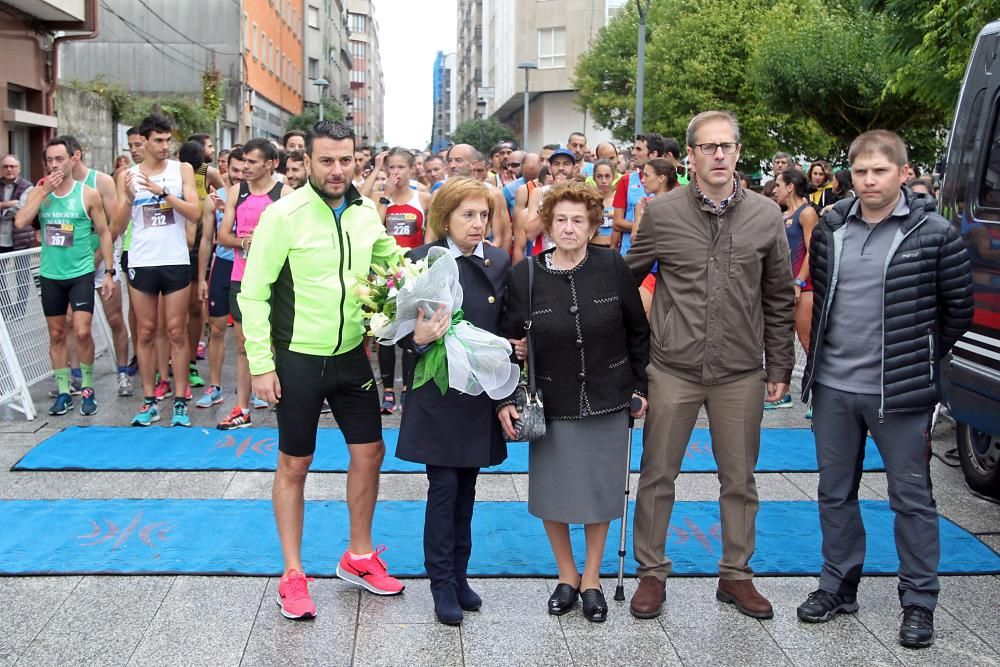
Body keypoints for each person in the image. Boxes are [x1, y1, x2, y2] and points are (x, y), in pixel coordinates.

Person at [796, 130, 973, 649]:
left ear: (903, 172)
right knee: (834, 493)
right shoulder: (830, 228)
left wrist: (918, 358)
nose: (869, 180)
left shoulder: (935, 233)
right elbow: (822, 299)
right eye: (861, 171)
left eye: (880, 170)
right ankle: (838, 585)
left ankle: (919, 601)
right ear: (849, 173)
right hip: (833, 386)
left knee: (911, 498)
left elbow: (956, 312)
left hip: (899, 390)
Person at [626, 111, 795, 621]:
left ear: (739, 152)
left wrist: (779, 365)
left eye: (727, 146)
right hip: (672, 367)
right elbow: (625, 281)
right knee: (658, 475)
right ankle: (651, 573)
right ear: (691, 156)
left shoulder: (767, 215)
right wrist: (633, 359)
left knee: (740, 480)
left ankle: (736, 576)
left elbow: (779, 298)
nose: (719, 155)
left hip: (740, 369)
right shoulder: (661, 212)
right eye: (708, 147)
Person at [241, 120, 406, 620]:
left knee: (371, 452)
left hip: (352, 354)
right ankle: (292, 574)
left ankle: (357, 557)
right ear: (306, 162)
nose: (337, 170)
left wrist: (422, 284)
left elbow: (392, 264)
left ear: (358, 160)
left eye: (345, 159)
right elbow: (253, 293)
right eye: (326, 160)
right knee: (295, 464)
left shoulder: (363, 212)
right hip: (298, 358)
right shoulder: (283, 214)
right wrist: (262, 365)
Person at [499, 181, 649, 623]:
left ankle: (592, 578)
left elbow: (638, 331)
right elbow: (507, 343)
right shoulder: (523, 275)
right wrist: (516, 355)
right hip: (552, 399)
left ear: (592, 225)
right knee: (555, 494)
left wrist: (640, 390)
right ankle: (566, 576)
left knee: (601, 493)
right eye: (561, 219)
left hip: (609, 395)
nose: (568, 228)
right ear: (548, 224)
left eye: (578, 220)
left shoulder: (612, 266)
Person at [394, 176, 512, 625]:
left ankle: (460, 576)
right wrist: (420, 340)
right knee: (443, 489)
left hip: (478, 394)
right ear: (445, 217)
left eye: (484, 214)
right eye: (468, 214)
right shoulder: (422, 261)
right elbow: (400, 331)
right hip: (438, 394)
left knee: (468, 489)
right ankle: (441, 582)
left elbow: (504, 322)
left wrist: (511, 360)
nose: (478, 223)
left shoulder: (499, 262)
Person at [15, 136, 115, 416]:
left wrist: (108, 271)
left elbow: (105, 232)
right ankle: (62, 392)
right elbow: (21, 222)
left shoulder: (88, 194)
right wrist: (43, 193)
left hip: (81, 272)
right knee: (57, 333)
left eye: (60, 159)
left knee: (82, 330)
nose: (55, 164)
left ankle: (87, 388)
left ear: (73, 159)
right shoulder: (40, 192)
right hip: (50, 274)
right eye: (50, 160)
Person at [113, 113, 202, 427]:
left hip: (175, 258)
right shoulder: (128, 174)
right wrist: (127, 198)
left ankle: (180, 401)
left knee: (176, 331)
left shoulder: (183, 170)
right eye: (159, 141)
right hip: (141, 260)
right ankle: (149, 401)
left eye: (168, 140)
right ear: (145, 142)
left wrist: (163, 192)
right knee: (146, 331)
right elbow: (116, 227)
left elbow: (195, 212)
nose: (165, 146)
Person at [215, 139, 292, 429]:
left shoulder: (285, 193)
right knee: (244, 343)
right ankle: (242, 408)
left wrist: (268, 245)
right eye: (243, 161)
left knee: (279, 341)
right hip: (242, 277)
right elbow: (222, 237)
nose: (244, 167)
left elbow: (297, 238)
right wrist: (246, 241)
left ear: (271, 164)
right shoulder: (237, 191)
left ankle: (283, 400)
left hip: (277, 280)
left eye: (251, 162)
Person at [374, 147, 432, 414]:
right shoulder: (380, 199)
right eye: (391, 168)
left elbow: (429, 239)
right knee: (384, 332)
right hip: (384, 273)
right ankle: (387, 390)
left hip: (413, 272)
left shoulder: (424, 199)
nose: (395, 173)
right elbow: (373, 229)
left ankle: (409, 388)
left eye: (400, 168)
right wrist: (385, 196)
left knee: (410, 331)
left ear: (411, 170)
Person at [195, 147, 246, 408]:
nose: (238, 175)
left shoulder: (254, 198)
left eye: (243, 169)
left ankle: (249, 390)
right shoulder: (214, 198)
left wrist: (231, 211)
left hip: (247, 269)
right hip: (222, 266)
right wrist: (202, 279)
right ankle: (214, 385)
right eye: (233, 169)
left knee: (244, 337)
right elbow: (207, 240)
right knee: (215, 329)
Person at [770, 168, 818, 411]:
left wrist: (799, 282)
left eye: (778, 184)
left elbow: (812, 250)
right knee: (783, 340)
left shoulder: (807, 212)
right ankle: (783, 393)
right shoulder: (782, 215)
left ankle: (819, 397)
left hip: (804, 287)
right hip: (784, 287)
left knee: (807, 340)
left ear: (790, 186)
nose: (774, 189)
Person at [444, 144, 511, 252]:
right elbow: (431, 236)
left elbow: (501, 236)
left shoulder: (493, 193)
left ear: (473, 164)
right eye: (450, 160)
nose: (452, 165)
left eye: (458, 160)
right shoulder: (440, 194)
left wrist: (495, 262)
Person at [516, 148, 577, 260]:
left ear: (575, 168)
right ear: (550, 168)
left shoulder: (583, 193)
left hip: (574, 256)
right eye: (556, 164)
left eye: (566, 164)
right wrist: (555, 196)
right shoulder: (539, 193)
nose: (561, 168)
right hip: (545, 257)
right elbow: (530, 233)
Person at [612, 133, 667, 255]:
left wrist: (638, 226)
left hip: (659, 260)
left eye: (638, 149)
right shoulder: (625, 181)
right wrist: (649, 228)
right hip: (628, 256)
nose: (633, 153)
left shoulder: (672, 184)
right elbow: (617, 223)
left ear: (653, 154)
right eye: (633, 148)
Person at [591, 159, 617, 247]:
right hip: (593, 247)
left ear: (613, 177)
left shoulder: (620, 199)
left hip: (615, 247)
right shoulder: (588, 201)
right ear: (594, 178)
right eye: (599, 176)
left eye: (607, 176)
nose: (604, 181)